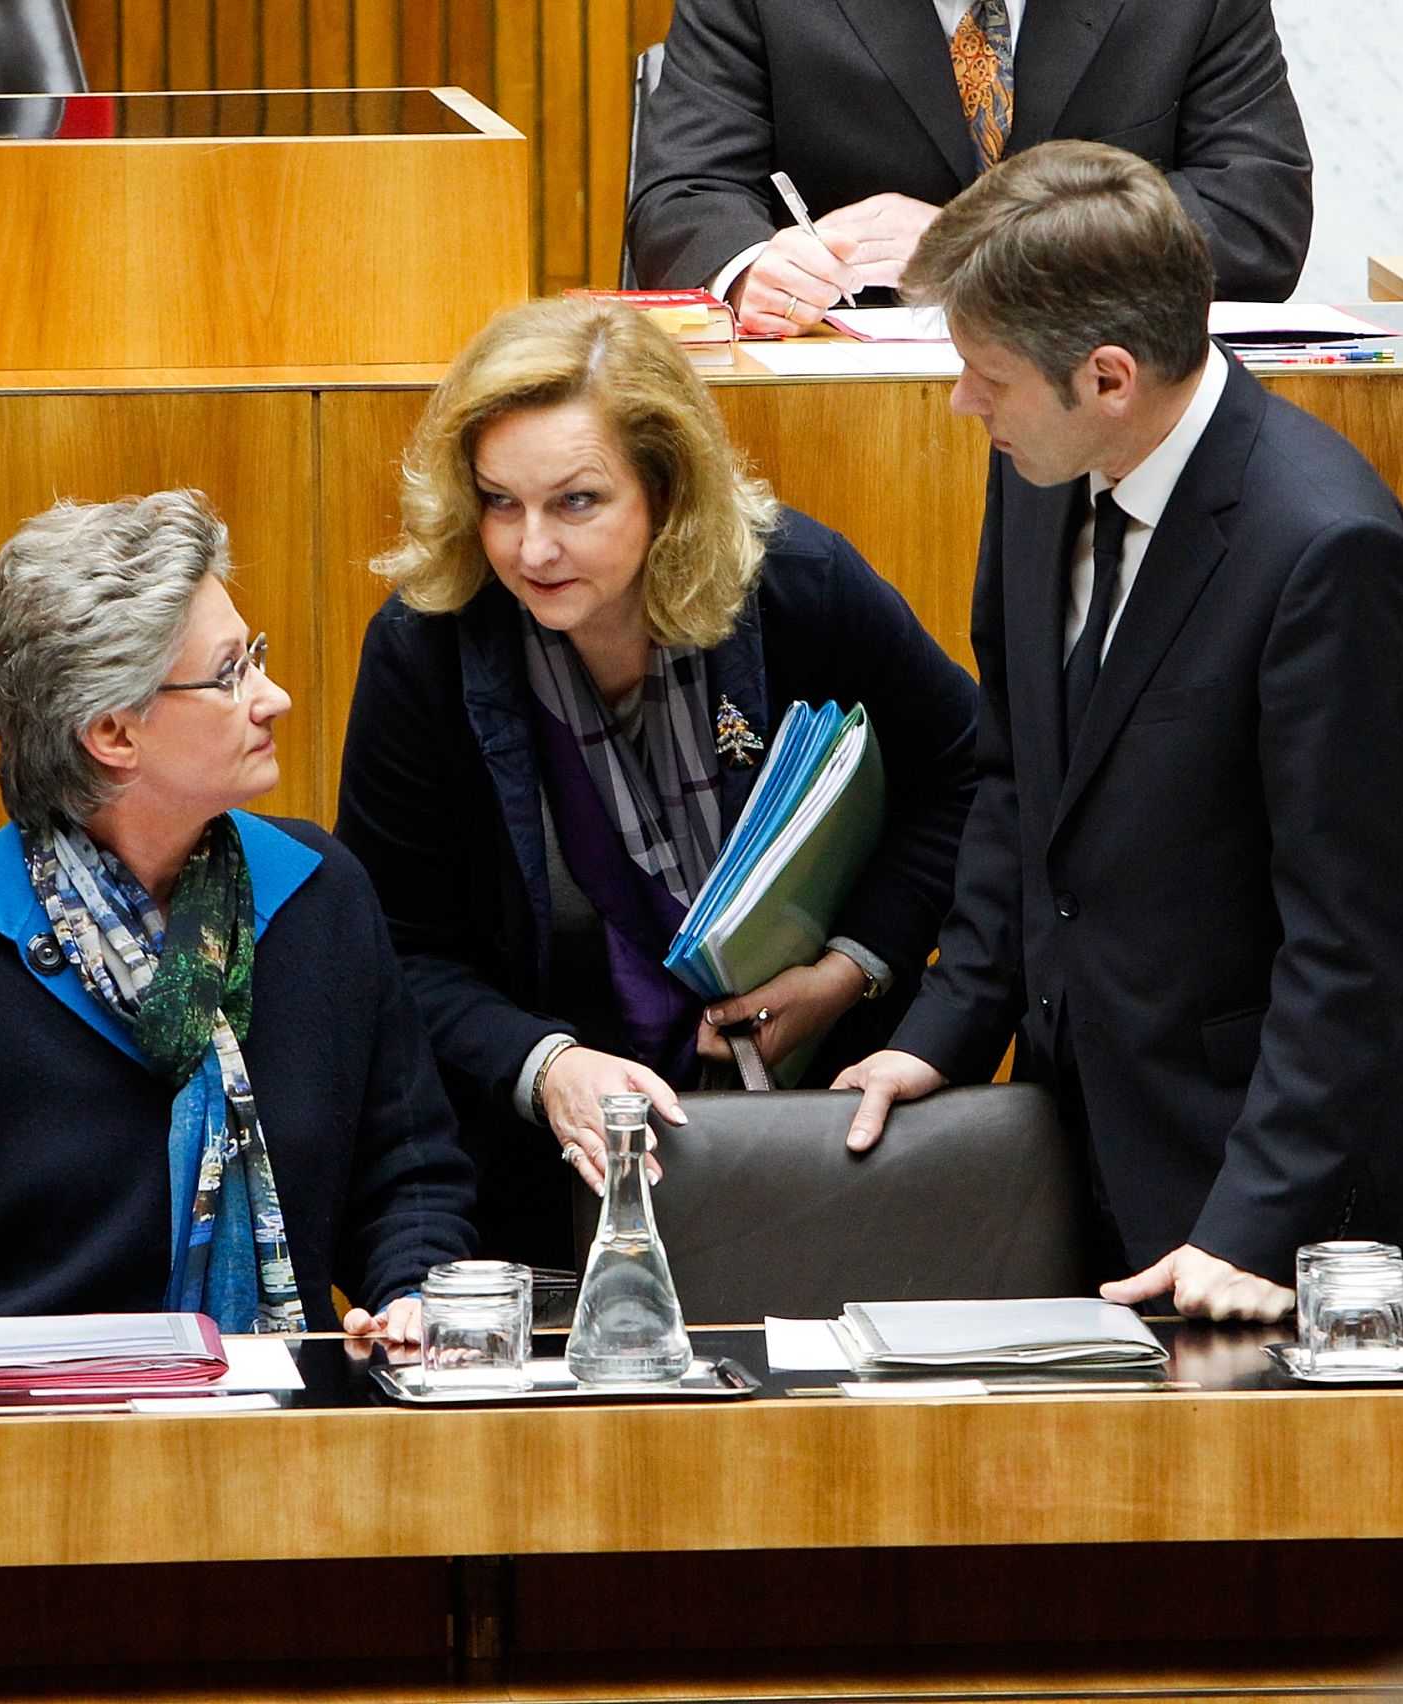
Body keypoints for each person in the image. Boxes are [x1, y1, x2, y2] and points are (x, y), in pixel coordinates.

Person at [835, 140, 1403, 1321]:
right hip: (1084, 1135)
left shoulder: (1324, 553)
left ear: (1109, 377)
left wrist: (1249, 1228)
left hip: (1269, 1182)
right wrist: (948, 1028)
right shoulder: (1035, 464)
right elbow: (1016, 776)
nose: (962, 401)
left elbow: (1346, 940)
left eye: (985, 375)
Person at [0, 490, 476, 1378]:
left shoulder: (320, 898)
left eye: (259, 658)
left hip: (279, 1442)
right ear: (113, 733)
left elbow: (410, 1177)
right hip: (15, 1453)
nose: (273, 696)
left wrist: (408, 1295)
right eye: (232, 671)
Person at [336, 298, 979, 1268]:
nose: (530, 547)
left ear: (666, 490)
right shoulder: (425, 650)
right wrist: (539, 1062)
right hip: (544, 1184)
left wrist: (850, 966)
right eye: (498, 501)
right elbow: (396, 948)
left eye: (576, 501)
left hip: (818, 1136)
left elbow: (968, 776)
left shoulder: (797, 587)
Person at [627, 0, 1313, 326]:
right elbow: (684, 192)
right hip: (835, 399)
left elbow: (1257, 216)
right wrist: (754, 272)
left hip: (1103, 392)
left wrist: (986, 244)